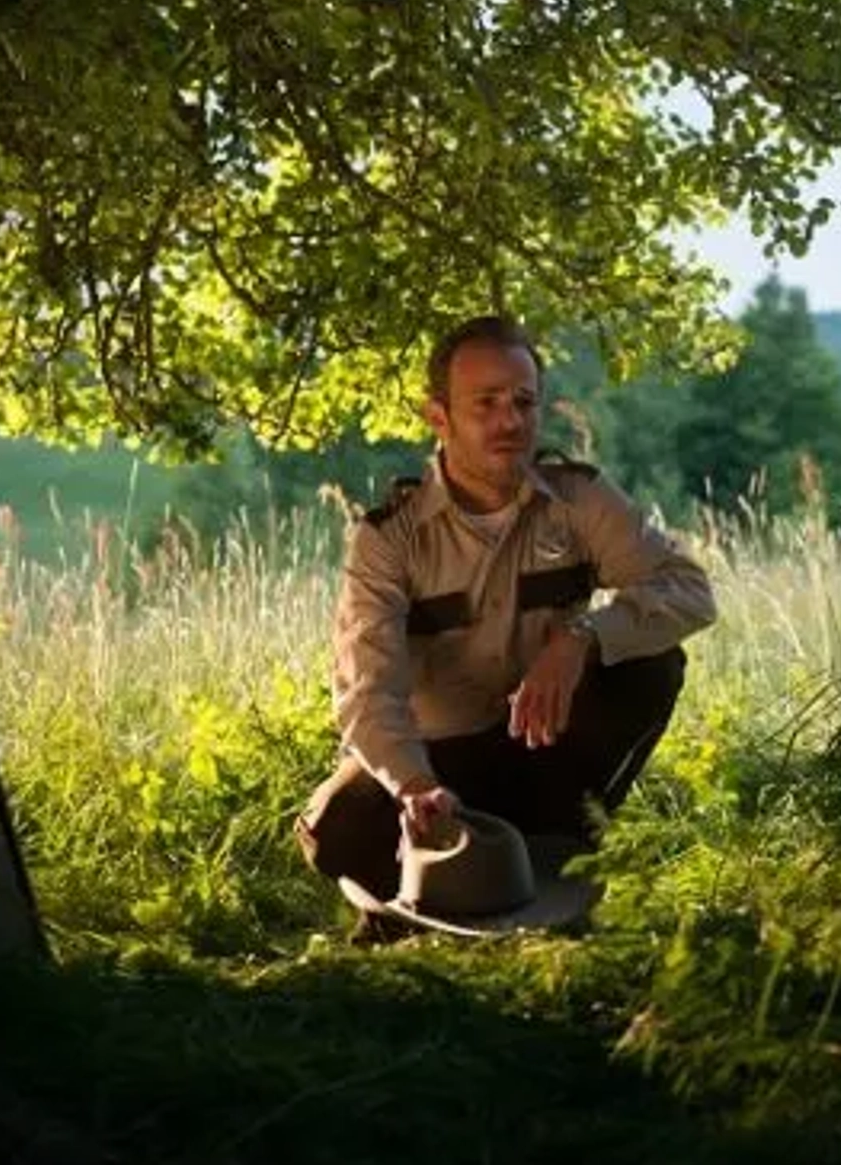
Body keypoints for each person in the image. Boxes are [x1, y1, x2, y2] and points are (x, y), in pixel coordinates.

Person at [295, 314, 717, 940]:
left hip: (540, 748)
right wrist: (413, 785)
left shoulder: (579, 500)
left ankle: (560, 856)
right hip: (434, 760)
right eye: (486, 403)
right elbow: (367, 689)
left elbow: (690, 591)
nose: (510, 421)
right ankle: (425, 893)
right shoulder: (389, 537)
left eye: (524, 402)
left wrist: (584, 636)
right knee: (335, 830)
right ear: (438, 417)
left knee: (651, 662)